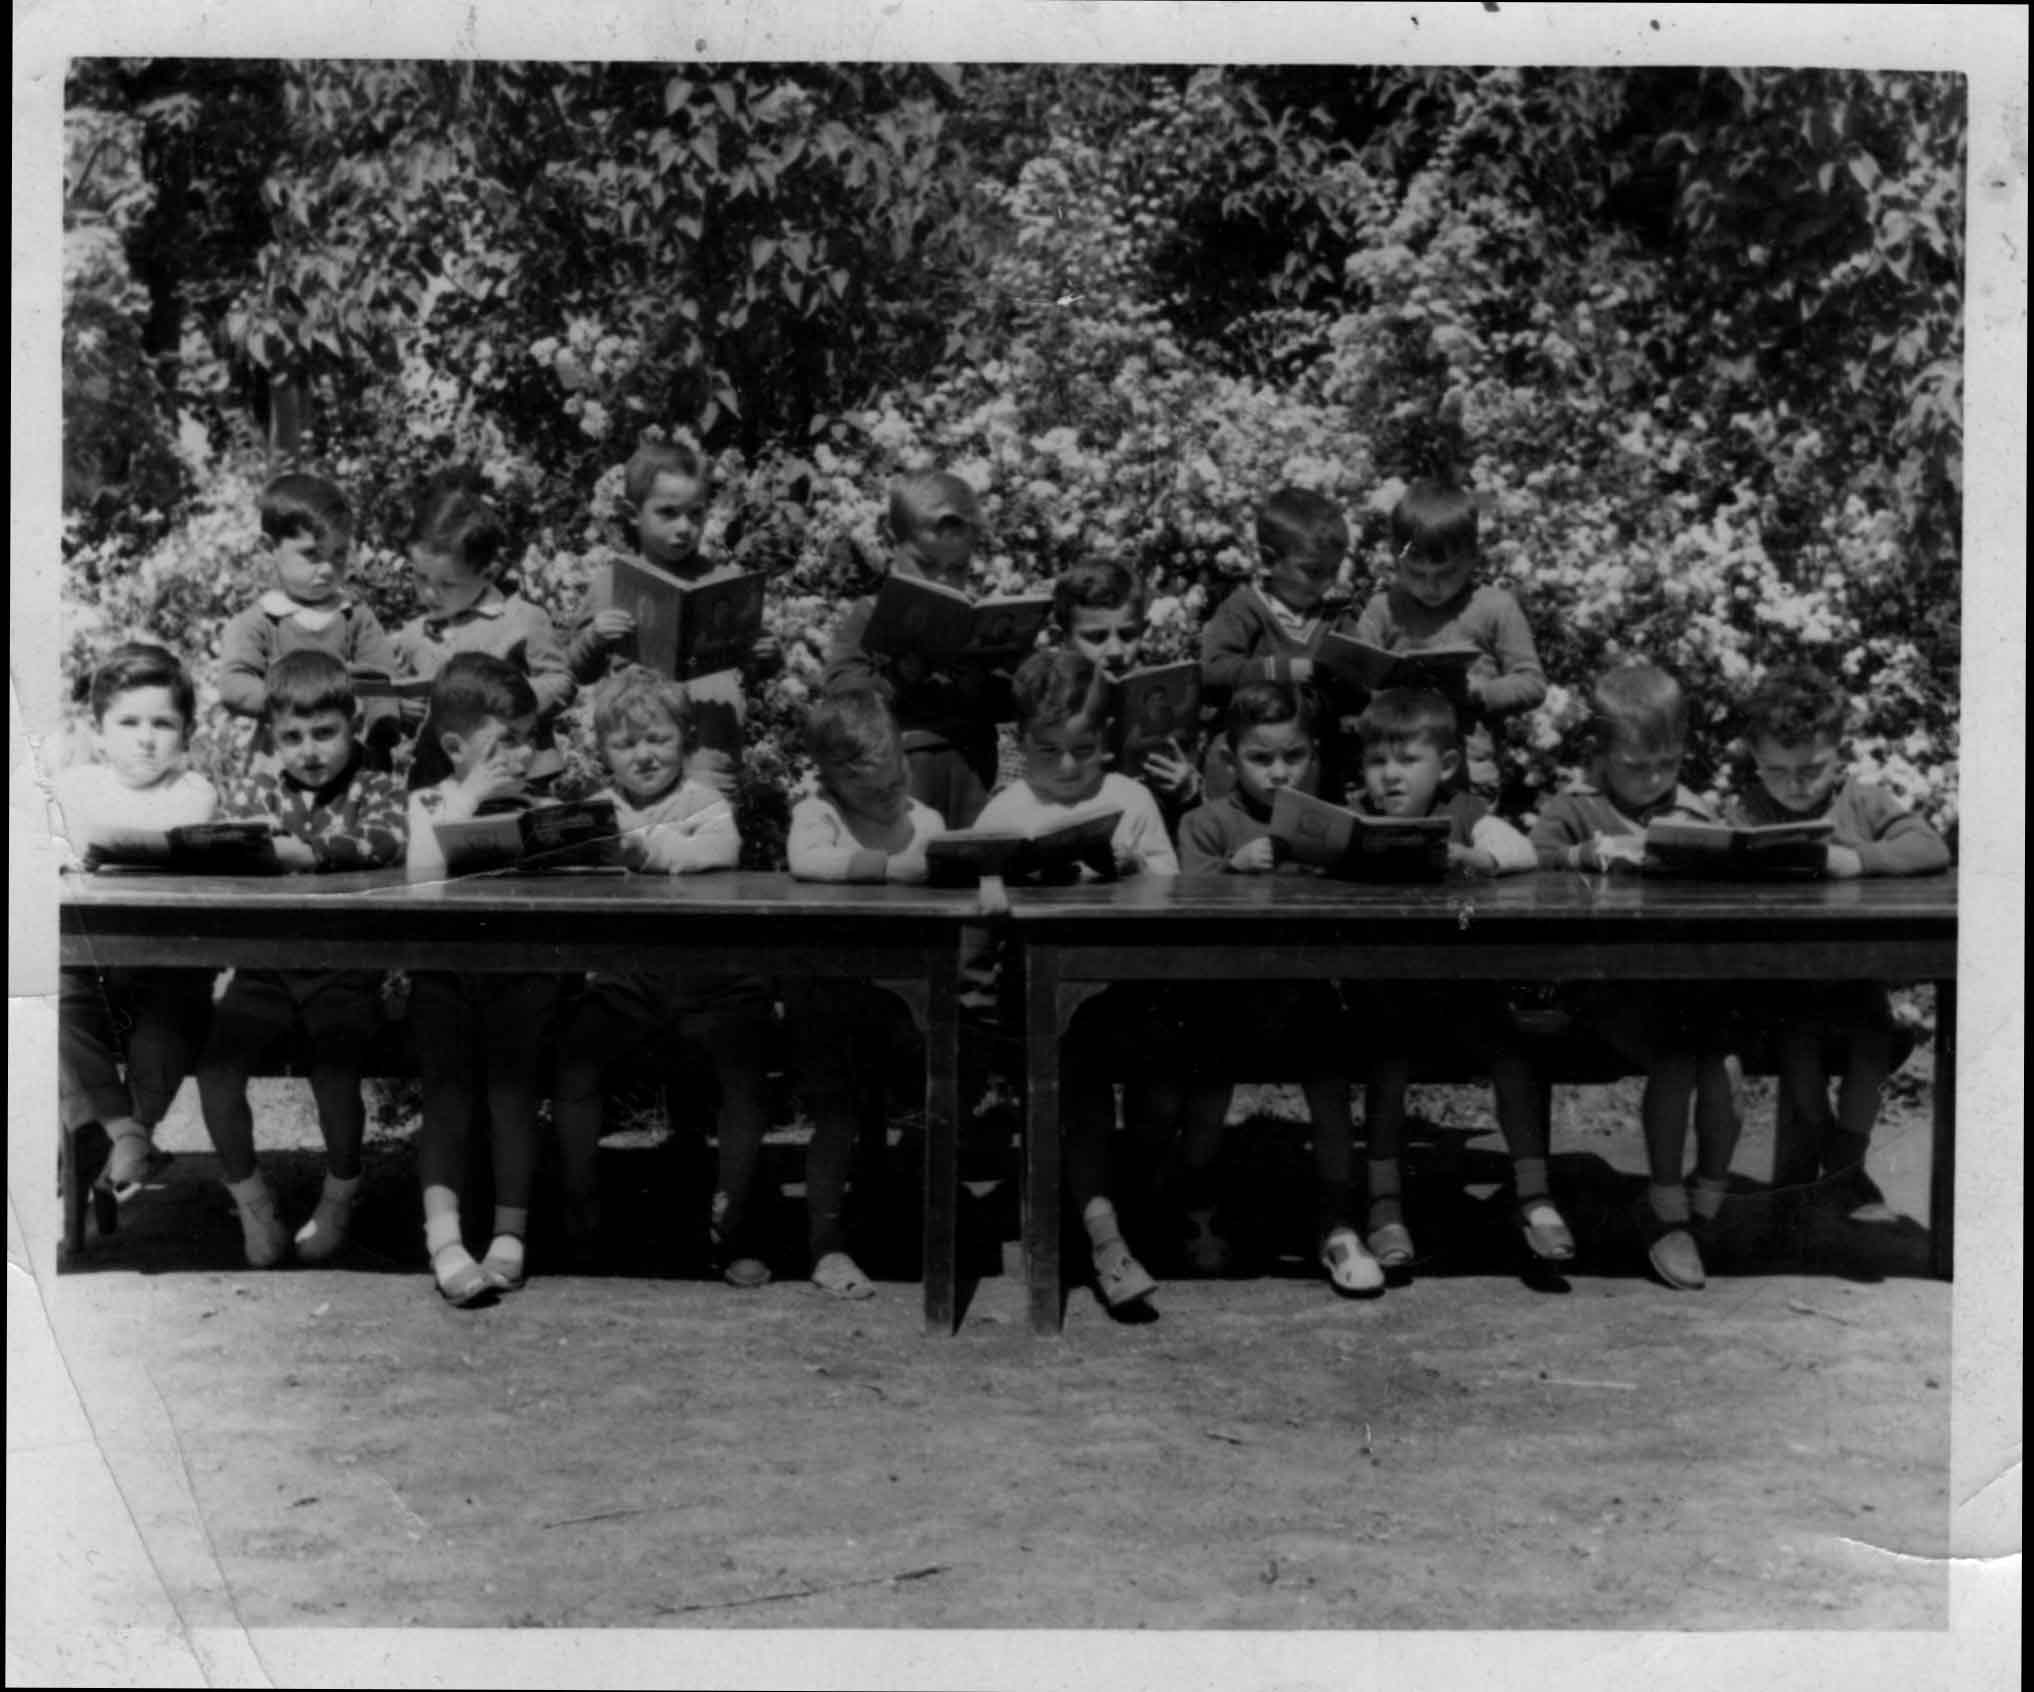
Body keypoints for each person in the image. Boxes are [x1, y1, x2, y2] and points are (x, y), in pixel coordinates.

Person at [548, 667, 778, 1287]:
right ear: (604, 754)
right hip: (629, 982)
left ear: (686, 738)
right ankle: (580, 1204)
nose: (643, 755)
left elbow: (719, 852)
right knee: (573, 1064)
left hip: (713, 980)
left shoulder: (705, 802)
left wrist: (647, 852)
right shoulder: (596, 811)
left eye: (657, 738)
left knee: (745, 1072)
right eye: (625, 745)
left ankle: (732, 1215)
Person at [972, 650, 1180, 1310]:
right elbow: (976, 904)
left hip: (1131, 988)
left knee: (1163, 1086)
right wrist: (1001, 891)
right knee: (1081, 1078)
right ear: (1018, 744)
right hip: (1040, 1000)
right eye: (1048, 752)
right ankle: (1104, 1237)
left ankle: (1135, 1208)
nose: (1067, 770)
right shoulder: (1005, 811)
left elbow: (1174, 894)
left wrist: (1130, 870)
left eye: (1084, 751)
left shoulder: (1130, 800)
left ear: (1108, 743)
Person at [194, 651, 408, 1266]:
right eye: (292, 737)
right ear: (272, 737)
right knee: (216, 1072)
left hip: (344, 966)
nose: (310, 750)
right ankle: (252, 1200)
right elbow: (234, 837)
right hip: (265, 965)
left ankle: (341, 1192)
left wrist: (307, 853)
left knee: (334, 1073)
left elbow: (388, 841)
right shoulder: (260, 787)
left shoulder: (378, 786)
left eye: (325, 733)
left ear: (353, 723)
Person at [1531, 663, 1736, 1290]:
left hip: (1683, 985)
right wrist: (1581, 856)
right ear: (1600, 755)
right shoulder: (1576, 807)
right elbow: (1527, 861)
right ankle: (1667, 1209)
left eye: (1668, 764)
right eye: (1635, 765)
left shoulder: (1693, 810)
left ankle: (1711, 1194)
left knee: (1725, 1068)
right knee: (1677, 1062)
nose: (1653, 780)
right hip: (1603, 990)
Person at [1338, 688, 1558, 1270]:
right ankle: (1385, 1202)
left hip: (1462, 994)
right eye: (1377, 762)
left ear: (1448, 766)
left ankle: (1534, 1194)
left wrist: (1482, 859)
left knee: (1514, 1059)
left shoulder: (1465, 813)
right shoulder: (1352, 814)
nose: (1389, 778)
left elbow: (1524, 853)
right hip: (1383, 996)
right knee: (1387, 1068)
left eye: (1408, 762)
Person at [1173, 682, 1382, 1295]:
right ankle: (1198, 1208)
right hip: (1225, 994)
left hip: (1304, 992)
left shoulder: (1331, 822)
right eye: (1261, 759)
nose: (1279, 771)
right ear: (1229, 757)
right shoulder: (1206, 823)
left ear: (1312, 753)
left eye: (1293, 756)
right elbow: (1183, 896)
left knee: (1331, 1093)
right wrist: (1230, 872)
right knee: (1208, 1099)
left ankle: (1338, 1219)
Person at [1728, 664, 1952, 1222]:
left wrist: (1859, 859)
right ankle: (1839, 1164)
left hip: (1855, 981)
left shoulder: (1863, 802)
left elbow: (1929, 848)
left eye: (1812, 769)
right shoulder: (1750, 810)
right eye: (1777, 771)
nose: (1796, 784)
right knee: (1800, 1053)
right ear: (1755, 762)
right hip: (1782, 987)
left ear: (1839, 755)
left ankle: (1847, 1159)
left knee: (1873, 1046)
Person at [403, 653, 561, 1305]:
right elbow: (417, 878)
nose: (522, 755)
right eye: (507, 742)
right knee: (444, 1103)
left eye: (530, 739)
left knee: (511, 1099)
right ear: (454, 746)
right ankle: (444, 1241)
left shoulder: (538, 805)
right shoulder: (432, 800)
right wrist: (468, 802)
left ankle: (510, 1233)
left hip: (518, 980)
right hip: (445, 980)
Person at [783, 689, 947, 1298]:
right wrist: (885, 866)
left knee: (926, 1105)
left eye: (896, 779)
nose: (890, 798)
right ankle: (824, 1242)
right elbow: (806, 861)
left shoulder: (923, 820)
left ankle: (910, 1216)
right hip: (830, 994)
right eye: (873, 792)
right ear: (831, 779)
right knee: (837, 1119)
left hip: (905, 997)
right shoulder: (819, 814)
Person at [56, 642, 219, 1196]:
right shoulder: (74, 787)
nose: (146, 737)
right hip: (93, 963)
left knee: (181, 998)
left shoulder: (192, 792)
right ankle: (125, 1133)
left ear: (186, 732)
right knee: (48, 1000)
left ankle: (133, 1130)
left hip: (162, 964)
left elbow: (166, 843)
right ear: (98, 732)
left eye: (163, 723)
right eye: (127, 722)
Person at [563, 436, 780, 792]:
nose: (684, 527)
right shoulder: (614, 584)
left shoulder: (721, 581)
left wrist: (766, 656)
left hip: (712, 752)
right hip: (643, 756)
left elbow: (752, 670)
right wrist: (596, 637)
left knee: (713, 841)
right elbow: (576, 667)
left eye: (695, 514)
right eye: (668, 513)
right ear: (633, 514)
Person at [822, 471, 1015, 829]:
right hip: (901, 786)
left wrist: (981, 679)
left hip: (972, 777)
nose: (941, 580)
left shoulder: (971, 619)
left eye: (957, 568)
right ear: (892, 544)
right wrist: (901, 677)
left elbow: (1009, 700)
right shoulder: (870, 615)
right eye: (926, 564)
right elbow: (844, 696)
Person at [1348, 478, 1547, 799]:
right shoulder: (1383, 609)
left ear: (1472, 558)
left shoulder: (1494, 606)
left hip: (1469, 769)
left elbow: (1532, 683)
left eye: (1445, 574)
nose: (1431, 587)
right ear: (1396, 559)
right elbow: (1355, 678)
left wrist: (1479, 693)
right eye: (1415, 573)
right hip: (1395, 771)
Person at [390, 470, 576, 789]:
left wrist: (512, 701)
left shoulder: (521, 619)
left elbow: (561, 681)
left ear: (487, 573)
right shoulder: (412, 634)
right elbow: (392, 688)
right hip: (442, 779)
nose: (429, 594)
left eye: (447, 583)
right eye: (420, 577)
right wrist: (400, 705)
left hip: (520, 770)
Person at [215, 472, 402, 769]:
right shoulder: (260, 621)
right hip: (283, 755)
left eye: (338, 554)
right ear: (269, 548)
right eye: (312, 554)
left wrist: (384, 725)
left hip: (349, 755)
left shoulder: (355, 615)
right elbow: (234, 685)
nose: (328, 569)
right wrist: (293, 703)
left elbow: (382, 678)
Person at [1198, 486, 1355, 801]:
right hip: (1252, 757)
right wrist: (1283, 670)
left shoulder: (1335, 616)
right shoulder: (1243, 609)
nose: (1326, 581)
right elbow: (1212, 673)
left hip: (1314, 758)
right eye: (1313, 571)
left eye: (1333, 570)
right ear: (1269, 559)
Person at [1053, 557, 1202, 831]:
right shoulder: (1042, 700)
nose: (1115, 652)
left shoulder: (1159, 688)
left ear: (1144, 630)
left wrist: (1187, 787)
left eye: (1127, 635)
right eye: (1096, 638)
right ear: (1063, 637)